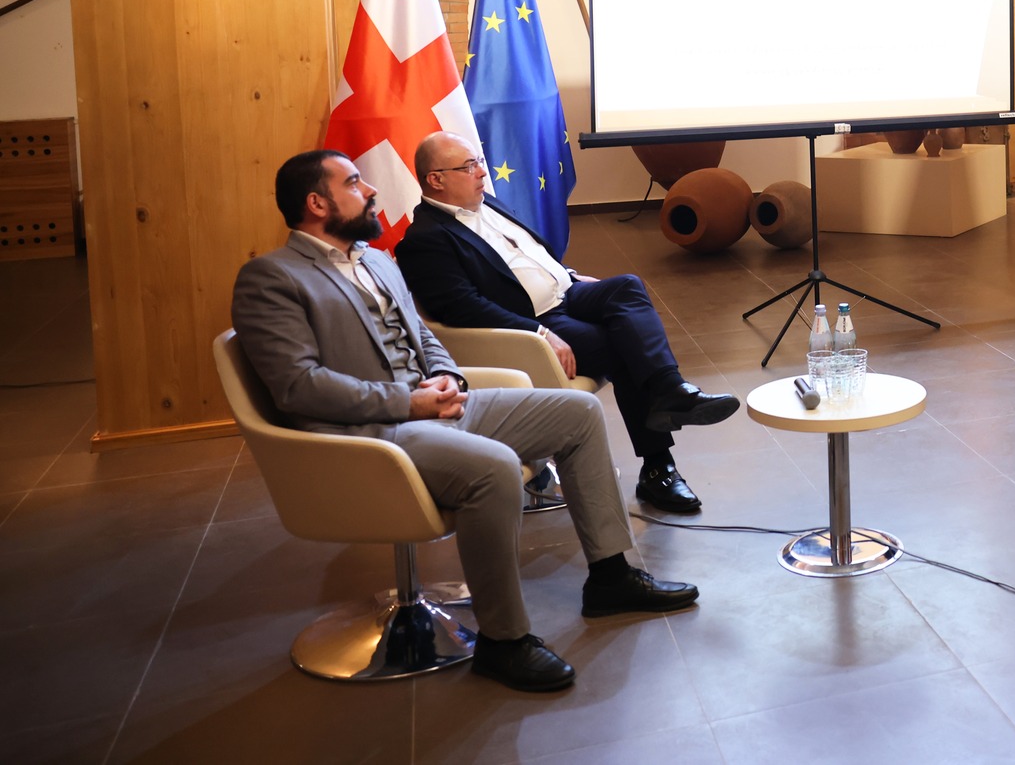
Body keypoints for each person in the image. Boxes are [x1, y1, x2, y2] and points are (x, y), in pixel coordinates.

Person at [232, 150, 700, 692]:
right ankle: (504, 641)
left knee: (578, 412)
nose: (372, 191)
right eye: (355, 183)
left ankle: (611, 577)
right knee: (496, 467)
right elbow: (299, 386)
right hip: (371, 433)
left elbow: (425, 335)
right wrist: (408, 403)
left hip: (435, 404)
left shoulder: (377, 261)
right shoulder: (271, 278)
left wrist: (448, 378)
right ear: (317, 204)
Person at [396, 131, 738, 516]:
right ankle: (659, 466)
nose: (482, 172)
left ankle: (670, 389)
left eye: (479, 161)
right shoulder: (425, 240)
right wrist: (539, 332)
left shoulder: (484, 201)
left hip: (567, 293)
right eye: (469, 165)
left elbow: (527, 255)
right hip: (534, 320)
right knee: (623, 345)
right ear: (436, 179)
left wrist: (569, 275)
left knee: (626, 286)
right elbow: (463, 309)